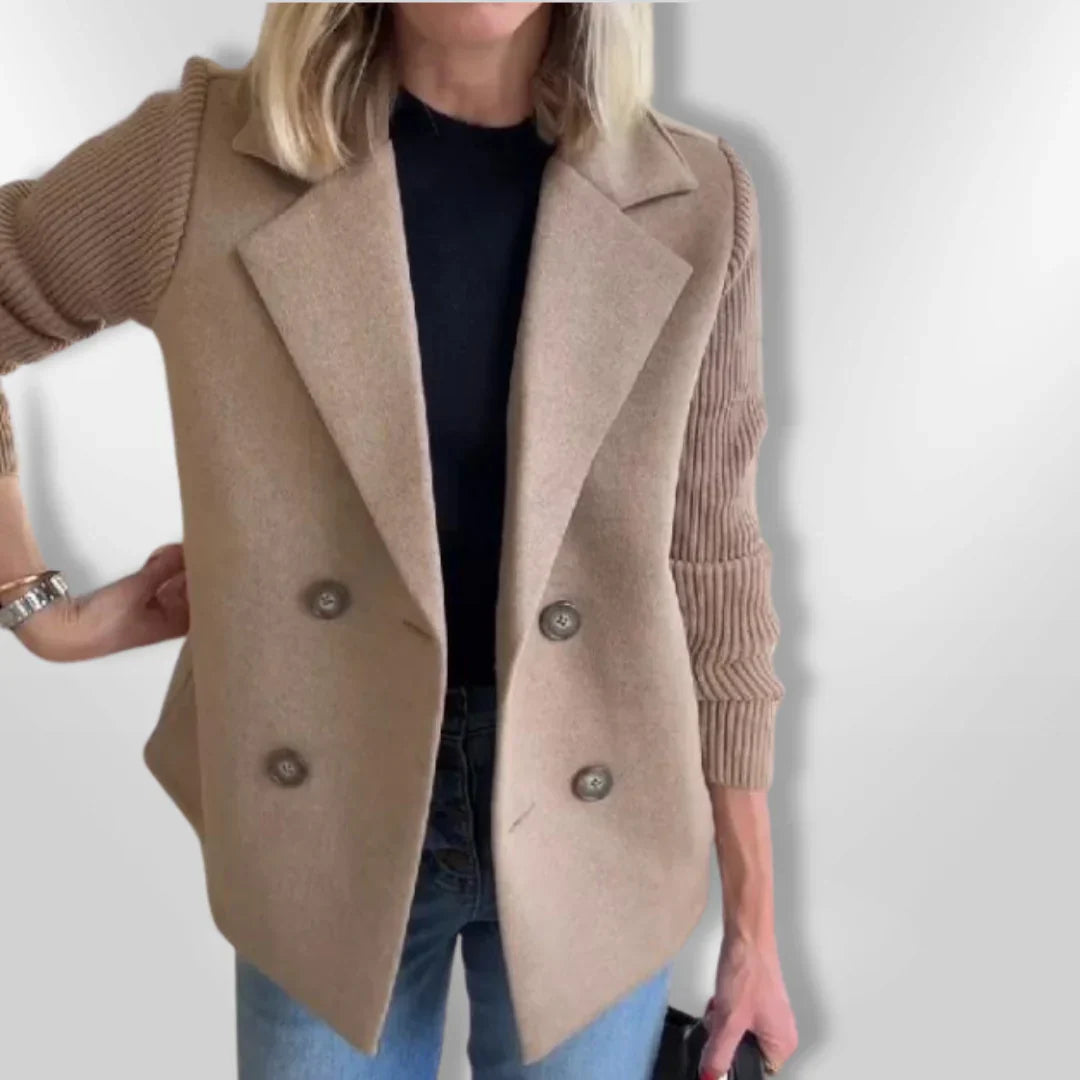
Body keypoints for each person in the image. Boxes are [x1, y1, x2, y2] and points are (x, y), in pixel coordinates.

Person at [0, 3, 798, 1077]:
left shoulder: (696, 197)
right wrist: (34, 604)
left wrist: (755, 924)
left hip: (606, 826)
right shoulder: (204, 160)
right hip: (318, 824)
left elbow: (716, 560)